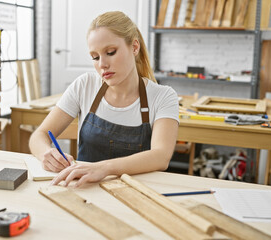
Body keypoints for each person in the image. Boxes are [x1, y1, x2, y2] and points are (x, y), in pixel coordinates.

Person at [29, 11, 179, 187]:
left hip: (136, 195)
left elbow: (161, 156)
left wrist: (104, 168)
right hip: (85, 190)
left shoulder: (163, 96)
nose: (102, 64)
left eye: (111, 52)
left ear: (134, 47)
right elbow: (38, 136)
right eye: (95, 57)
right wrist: (46, 153)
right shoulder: (85, 85)